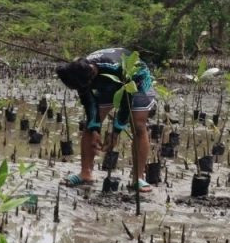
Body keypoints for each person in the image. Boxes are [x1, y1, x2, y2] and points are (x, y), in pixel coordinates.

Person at [56, 47, 156, 192]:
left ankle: (138, 178)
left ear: (91, 74)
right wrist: (95, 128)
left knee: (139, 125)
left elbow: (125, 104)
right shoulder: (78, 73)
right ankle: (85, 173)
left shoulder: (114, 67)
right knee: (89, 127)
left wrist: (115, 133)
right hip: (105, 84)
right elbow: (89, 104)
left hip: (136, 80)